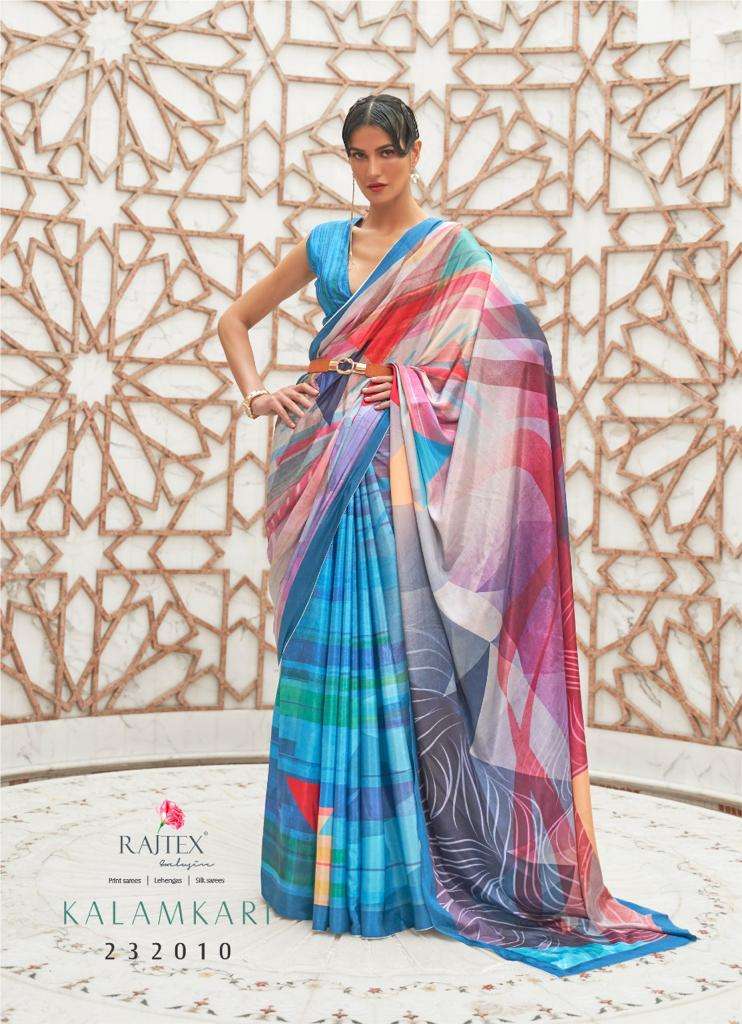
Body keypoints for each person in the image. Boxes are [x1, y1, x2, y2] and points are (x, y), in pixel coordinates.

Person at [217, 93, 697, 977]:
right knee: (320, 657)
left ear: (415, 152)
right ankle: (307, 871)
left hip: (396, 474)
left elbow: (513, 358)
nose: (372, 171)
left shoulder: (452, 251)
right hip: (324, 463)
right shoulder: (325, 244)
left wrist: (409, 386)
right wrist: (259, 391)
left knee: (394, 662)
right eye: (357, 154)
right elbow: (233, 320)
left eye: (386, 152)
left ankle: (392, 875)